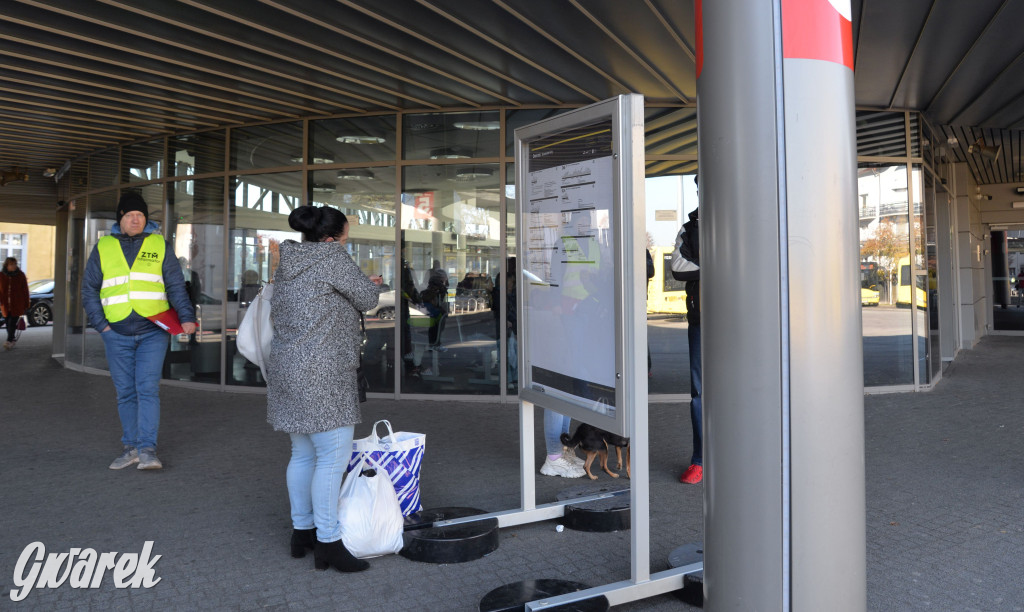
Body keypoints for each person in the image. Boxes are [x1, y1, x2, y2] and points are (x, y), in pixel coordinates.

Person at [266, 205, 382, 573]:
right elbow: (368, 299)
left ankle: (302, 533)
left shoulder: (289, 260)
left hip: (287, 368)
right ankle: (329, 543)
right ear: (334, 234)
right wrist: (371, 285)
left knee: (302, 455)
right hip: (323, 372)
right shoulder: (332, 257)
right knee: (332, 458)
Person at [81, 192, 197, 470]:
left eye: (141, 215)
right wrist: (102, 326)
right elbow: (89, 289)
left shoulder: (159, 244)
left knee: (147, 389)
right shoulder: (104, 246)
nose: (136, 219)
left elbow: (175, 285)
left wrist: (187, 317)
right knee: (125, 392)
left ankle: (147, 450)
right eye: (130, 215)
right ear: (120, 218)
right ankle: (130, 448)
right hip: (116, 331)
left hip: (152, 331)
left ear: (146, 219)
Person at [673, 177, 702, 485]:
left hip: (742, 323)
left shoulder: (746, 216)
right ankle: (700, 460)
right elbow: (678, 267)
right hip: (702, 322)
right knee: (700, 394)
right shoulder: (689, 228)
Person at [0, 257, 30, 350]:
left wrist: (26, 304)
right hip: (5, 304)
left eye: (15, 264)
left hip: (17, 304)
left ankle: (8, 341)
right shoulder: (1, 275)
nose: (14, 266)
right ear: (7, 265)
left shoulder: (20, 275)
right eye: (11, 264)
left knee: (12, 322)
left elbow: (25, 290)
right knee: (8, 323)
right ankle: (12, 339)